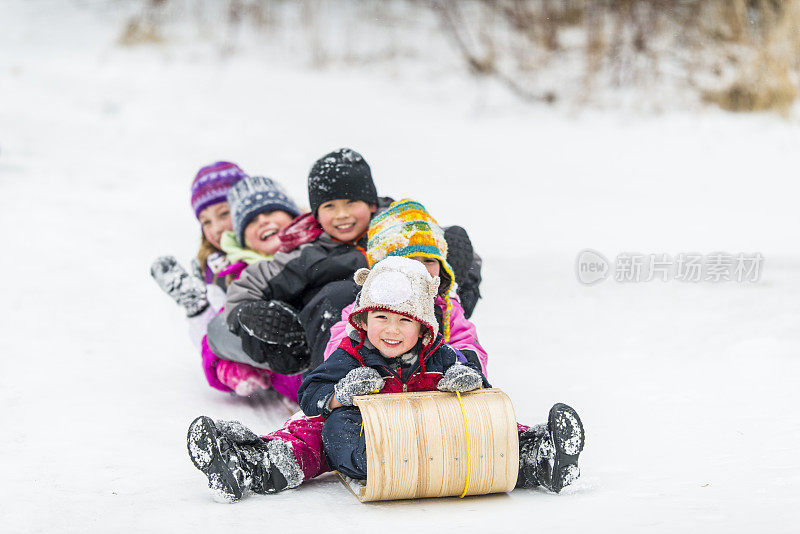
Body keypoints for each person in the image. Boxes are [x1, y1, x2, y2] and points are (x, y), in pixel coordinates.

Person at [186, 257, 585, 502]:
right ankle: (251, 464)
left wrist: (466, 380)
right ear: (362, 320)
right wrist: (339, 396)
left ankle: (539, 454)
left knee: (489, 427)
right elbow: (311, 392)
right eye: (381, 318)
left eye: (404, 320)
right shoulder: (351, 355)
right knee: (312, 433)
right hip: (365, 444)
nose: (391, 330)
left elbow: (473, 375)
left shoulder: (439, 355)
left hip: (436, 438)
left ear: (424, 327)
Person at [324, 198, 488, 374]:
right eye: (409, 260)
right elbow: (337, 347)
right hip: (378, 392)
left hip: (431, 394)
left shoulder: (447, 310)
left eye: (429, 260)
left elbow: (468, 343)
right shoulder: (363, 309)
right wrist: (354, 372)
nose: (420, 268)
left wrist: (463, 367)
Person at [150, 161, 246, 351]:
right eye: (206, 222)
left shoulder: (277, 250)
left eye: (224, 213)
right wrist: (199, 309)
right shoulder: (215, 269)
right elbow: (215, 346)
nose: (216, 228)